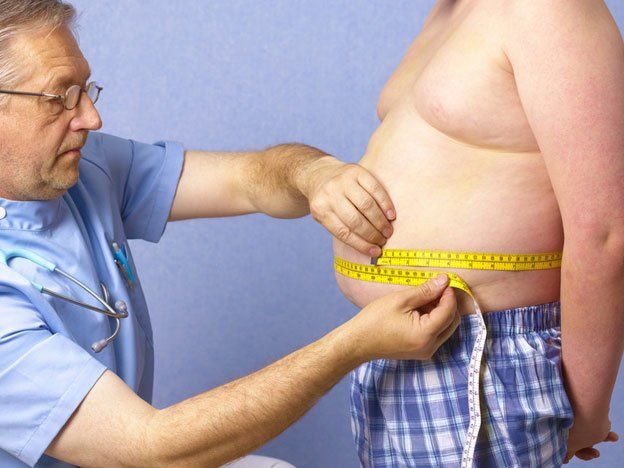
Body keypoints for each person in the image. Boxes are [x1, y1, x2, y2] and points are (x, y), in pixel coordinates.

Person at [0, 1, 463, 467]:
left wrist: (315, 174)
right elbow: (149, 448)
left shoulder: (84, 169)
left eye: (85, 90)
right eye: (59, 98)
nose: (91, 118)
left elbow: (247, 179)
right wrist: (353, 346)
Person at [332, 0, 623, 466]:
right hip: (389, 348)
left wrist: (587, 409)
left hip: (480, 358)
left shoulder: (550, 9)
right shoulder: (448, 10)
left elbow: (605, 234)